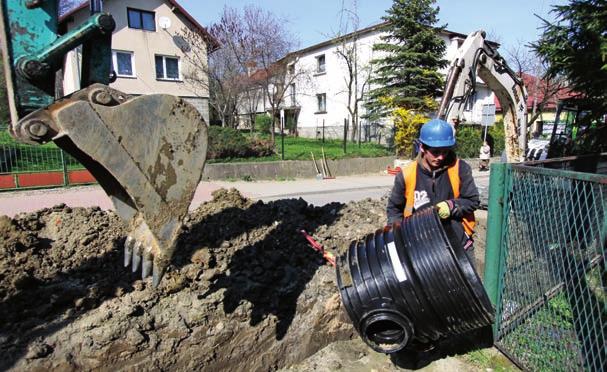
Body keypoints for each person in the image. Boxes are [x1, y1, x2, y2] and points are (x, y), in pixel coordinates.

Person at [386, 118, 480, 260]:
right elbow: (394, 210)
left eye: (445, 151)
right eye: (435, 152)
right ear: (422, 148)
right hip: (422, 248)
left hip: (458, 245)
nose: (441, 157)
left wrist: (452, 206)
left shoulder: (460, 168)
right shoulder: (406, 175)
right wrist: (399, 239)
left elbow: (472, 200)